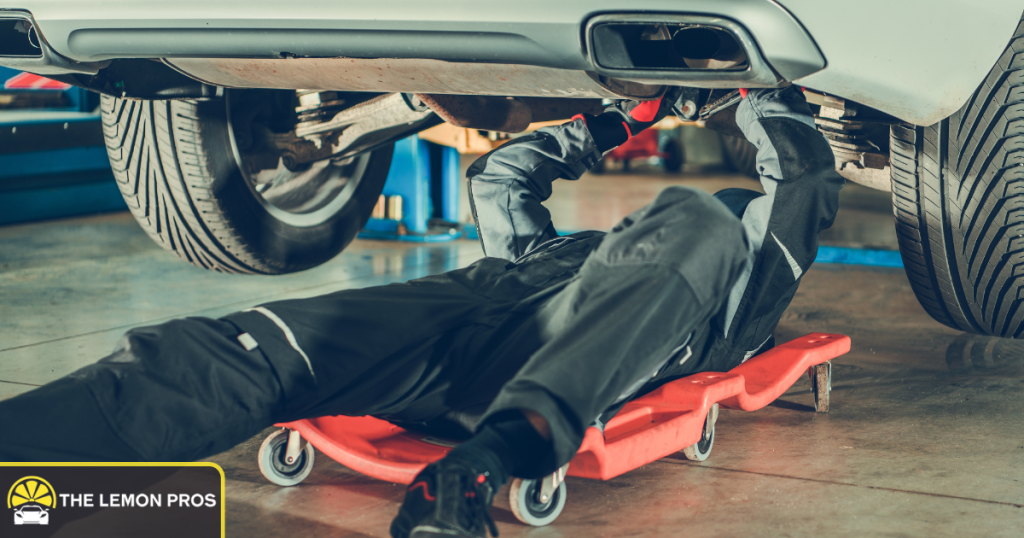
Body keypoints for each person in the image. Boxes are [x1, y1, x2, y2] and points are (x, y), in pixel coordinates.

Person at [0, 86, 843, 538]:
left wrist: (754, 98)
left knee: (693, 221)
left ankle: (476, 474)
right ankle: (23, 483)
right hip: (445, 326)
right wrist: (620, 117)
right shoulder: (545, 254)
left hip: (553, 373)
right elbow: (501, 179)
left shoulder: (737, 298)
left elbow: (799, 181)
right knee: (225, 355)